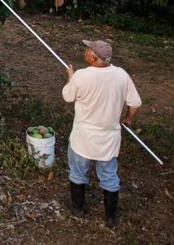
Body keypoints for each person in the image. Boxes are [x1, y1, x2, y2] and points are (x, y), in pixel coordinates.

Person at [62, 39, 141, 227]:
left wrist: (71, 78)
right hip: (109, 140)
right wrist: (128, 119)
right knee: (109, 176)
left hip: (83, 139)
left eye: (88, 49)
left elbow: (67, 96)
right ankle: (111, 216)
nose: (85, 50)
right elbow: (135, 103)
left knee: (78, 172)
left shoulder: (81, 76)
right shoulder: (121, 75)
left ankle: (78, 208)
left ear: (93, 57)